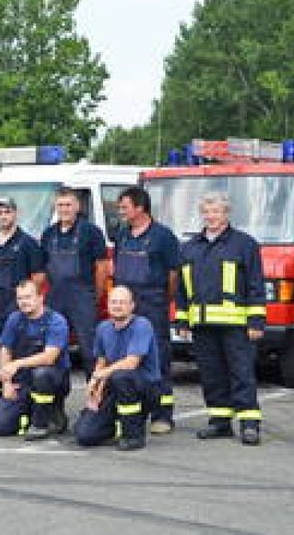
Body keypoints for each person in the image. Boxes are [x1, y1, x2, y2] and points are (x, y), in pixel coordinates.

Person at [175, 191, 266, 446]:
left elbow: (255, 284)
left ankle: (249, 424)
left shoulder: (244, 244)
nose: (210, 217)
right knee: (211, 375)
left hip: (236, 325)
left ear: (226, 214)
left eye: (216, 212)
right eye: (206, 212)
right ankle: (220, 422)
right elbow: (182, 289)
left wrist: (256, 321)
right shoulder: (189, 247)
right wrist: (182, 321)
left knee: (241, 373)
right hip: (202, 325)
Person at [114, 186, 181, 434]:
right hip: (126, 306)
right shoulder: (122, 234)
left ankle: (162, 415)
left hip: (152, 303)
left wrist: (163, 299)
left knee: (158, 359)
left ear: (140, 208)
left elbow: (174, 275)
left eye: (125, 207)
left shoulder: (163, 237)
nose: (121, 212)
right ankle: (135, 410)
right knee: (127, 357)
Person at [74, 286, 163, 451]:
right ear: (107, 305)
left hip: (144, 388)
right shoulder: (103, 328)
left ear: (132, 306)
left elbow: (132, 363)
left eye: (122, 302)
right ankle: (114, 427)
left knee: (122, 376)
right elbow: (101, 361)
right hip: (115, 386)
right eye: (113, 302)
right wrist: (96, 387)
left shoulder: (142, 325)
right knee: (84, 434)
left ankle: (133, 435)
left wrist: (101, 375)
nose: (117, 306)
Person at [0, 280, 72, 440]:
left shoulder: (56, 321)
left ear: (41, 297)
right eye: (20, 298)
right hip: (23, 381)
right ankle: (30, 411)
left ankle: (45, 420)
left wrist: (17, 363)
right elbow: (5, 349)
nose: (23, 302)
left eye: (28, 297)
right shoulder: (14, 319)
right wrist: (6, 383)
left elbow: (49, 357)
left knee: (42, 374)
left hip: (52, 380)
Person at [40, 188, 108, 377]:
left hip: (82, 297)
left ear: (77, 206)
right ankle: (55, 401)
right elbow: (43, 269)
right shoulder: (48, 234)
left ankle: (94, 399)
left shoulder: (91, 232)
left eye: (68, 205)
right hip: (55, 297)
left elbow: (102, 266)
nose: (64, 209)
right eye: (60, 205)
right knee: (54, 349)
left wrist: (95, 295)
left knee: (89, 350)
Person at [0, 196, 44, 327]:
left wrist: (26, 300)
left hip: (15, 303)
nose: (3, 216)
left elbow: (38, 276)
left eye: (7, 212)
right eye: (0, 213)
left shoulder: (28, 243)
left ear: (15, 213)